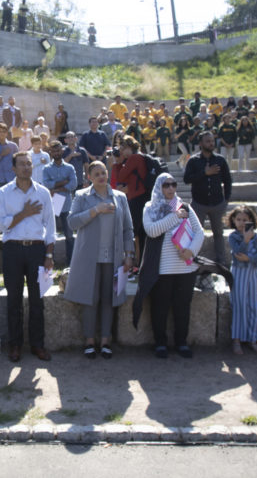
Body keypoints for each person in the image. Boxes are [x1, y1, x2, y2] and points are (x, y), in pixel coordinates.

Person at [63, 161, 134, 359]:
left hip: (113, 257)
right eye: (97, 173)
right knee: (89, 299)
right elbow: (72, 223)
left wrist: (129, 255)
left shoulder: (120, 197)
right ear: (89, 178)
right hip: (88, 257)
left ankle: (105, 340)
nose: (102, 176)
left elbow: (128, 229)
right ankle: (89, 341)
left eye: (104, 172)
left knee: (108, 300)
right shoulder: (81, 196)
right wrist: (96, 210)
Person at [0, 152, 56, 363]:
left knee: (37, 300)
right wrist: (24, 213)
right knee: (14, 299)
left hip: (37, 250)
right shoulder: (4, 192)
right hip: (12, 249)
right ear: (13, 169)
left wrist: (49, 254)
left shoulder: (43, 193)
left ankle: (37, 345)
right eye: (21, 164)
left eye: (29, 164)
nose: (26, 167)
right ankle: (15, 345)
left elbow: (51, 226)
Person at [134, 173, 204, 359]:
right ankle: (160, 343)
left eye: (173, 184)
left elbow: (199, 232)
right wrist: (175, 217)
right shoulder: (151, 207)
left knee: (182, 307)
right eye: (166, 185)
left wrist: (191, 251)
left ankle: (181, 342)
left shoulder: (185, 206)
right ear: (159, 187)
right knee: (160, 308)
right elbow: (152, 230)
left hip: (185, 268)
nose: (171, 189)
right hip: (161, 269)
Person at [183, 131, 232, 265]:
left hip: (217, 203)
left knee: (218, 233)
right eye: (207, 141)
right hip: (199, 203)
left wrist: (226, 200)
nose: (211, 143)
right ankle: (195, 261)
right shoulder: (193, 161)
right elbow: (187, 179)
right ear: (200, 144)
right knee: (196, 233)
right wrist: (204, 173)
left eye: (212, 141)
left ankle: (222, 262)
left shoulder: (220, 160)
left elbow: (228, 181)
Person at [227, 205, 257, 355]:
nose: (242, 222)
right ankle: (236, 340)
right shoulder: (233, 237)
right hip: (239, 274)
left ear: (251, 220)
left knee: (255, 305)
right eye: (238, 219)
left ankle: (253, 339)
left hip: (252, 274)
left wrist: (250, 258)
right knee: (239, 305)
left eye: (245, 219)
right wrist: (245, 240)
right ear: (233, 220)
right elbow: (238, 253)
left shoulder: (256, 237)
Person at [113, 136, 148, 267]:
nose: (121, 152)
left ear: (129, 147)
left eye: (122, 149)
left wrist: (118, 162)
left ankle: (137, 263)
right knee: (139, 233)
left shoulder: (134, 158)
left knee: (135, 232)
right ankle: (139, 263)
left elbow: (121, 176)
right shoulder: (140, 157)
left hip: (137, 199)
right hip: (139, 197)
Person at [43, 141, 77, 263]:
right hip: (54, 203)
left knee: (69, 235)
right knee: (51, 234)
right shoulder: (46, 168)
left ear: (62, 151)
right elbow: (46, 184)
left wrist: (56, 188)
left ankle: (70, 261)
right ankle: (50, 260)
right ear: (50, 152)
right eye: (54, 151)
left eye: (58, 150)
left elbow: (73, 184)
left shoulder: (69, 167)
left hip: (66, 202)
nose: (56, 153)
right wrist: (63, 182)